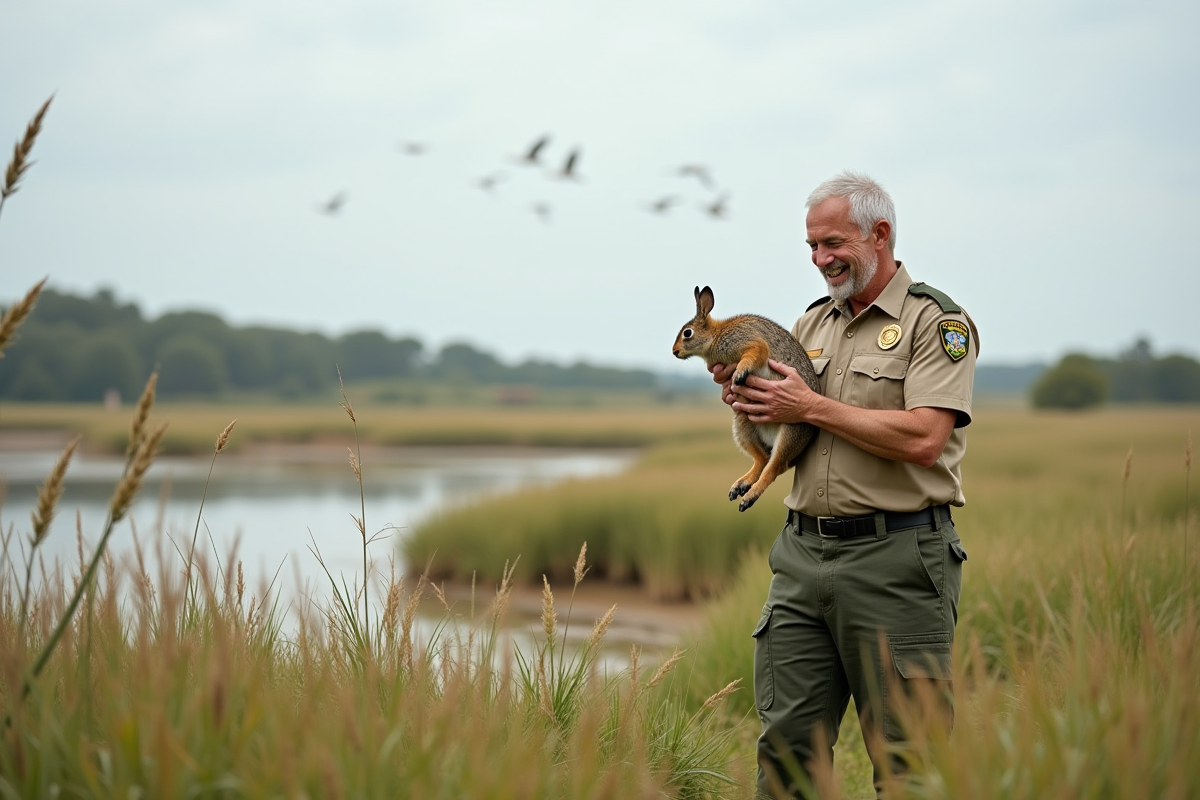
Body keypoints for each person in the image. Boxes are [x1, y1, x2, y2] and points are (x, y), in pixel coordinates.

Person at [710, 171, 977, 798]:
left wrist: (809, 406)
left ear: (879, 234)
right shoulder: (807, 326)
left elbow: (923, 439)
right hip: (801, 558)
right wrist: (749, 399)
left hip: (898, 561)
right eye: (811, 247)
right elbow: (789, 421)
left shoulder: (934, 322)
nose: (820, 260)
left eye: (834, 244)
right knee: (787, 755)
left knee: (910, 761)